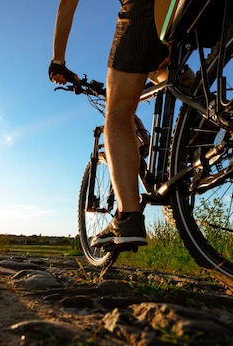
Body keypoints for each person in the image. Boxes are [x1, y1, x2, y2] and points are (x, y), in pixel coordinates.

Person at [49, 0, 172, 248]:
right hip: (185, 11)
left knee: (117, 112)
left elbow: (67, 4)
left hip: (149, 7)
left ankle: (127, 218)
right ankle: (206, 125)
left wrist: (58, 60)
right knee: (173, 76)